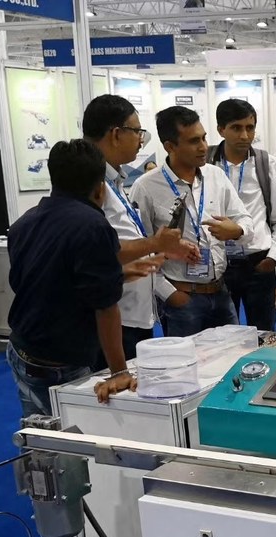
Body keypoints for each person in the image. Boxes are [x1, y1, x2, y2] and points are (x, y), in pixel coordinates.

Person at [6, 140, 160, 537]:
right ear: (99, 188)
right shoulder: (93, 226)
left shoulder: (25, 222)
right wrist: (118, 371)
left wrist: (118, 272)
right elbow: (105, 309)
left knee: (40, 444)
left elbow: (44, 280)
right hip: (64, 360)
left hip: (23, 348)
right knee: (71, 450)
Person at [82, 95, 199, 361]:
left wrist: (162, 250)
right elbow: (96, 251)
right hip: (112, 316)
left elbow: (120, 237)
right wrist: (156, 244)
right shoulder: (89, 183)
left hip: (132, 313)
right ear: (116, 134)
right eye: (137, 132)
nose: (141, 140)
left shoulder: (114, 179)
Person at [130, 106, 254, 337]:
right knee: (186, 360)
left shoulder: (215, 175)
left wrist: (237, 230)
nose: (204, 147)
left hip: (221, 291)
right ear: (170, 146)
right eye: (194, 141)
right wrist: (170, 295)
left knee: (235, 354)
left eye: (204, 138)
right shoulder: (146, 187)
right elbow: (139, 251)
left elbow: (245, 219)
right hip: (182, 298)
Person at [209, 98, 276, 332]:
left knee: (264, 333)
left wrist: (273, 257)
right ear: (221, 129)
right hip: (218, 264)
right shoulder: (207, 166)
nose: (245, 135)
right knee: (221, 335)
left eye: (250, 127)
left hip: (258, 263)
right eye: (236, 128)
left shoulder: (268, 164)